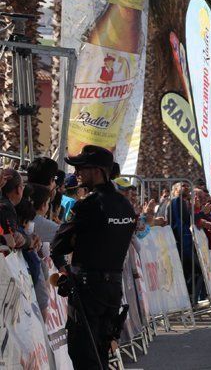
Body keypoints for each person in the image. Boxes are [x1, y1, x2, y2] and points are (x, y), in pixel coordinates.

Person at [51, 145, 137, 369]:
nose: (77, 172)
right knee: (100, 352)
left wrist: (74, 245)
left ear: (98, 171)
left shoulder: (88, 205)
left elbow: (58, 245)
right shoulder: (125, 205)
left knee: (83, 353)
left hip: (88, 290)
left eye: (82, 167)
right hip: (113, 290)